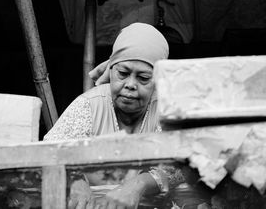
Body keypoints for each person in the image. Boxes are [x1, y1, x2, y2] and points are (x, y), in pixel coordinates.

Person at [44, 22, 185, 209]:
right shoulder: (89, 105)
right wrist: (75, 179)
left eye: (143, 78)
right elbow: (49, 152)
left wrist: (138, 185)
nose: (130, 84)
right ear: (110, 70)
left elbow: (187, 160)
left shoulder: (166, 108)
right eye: (123, 73)